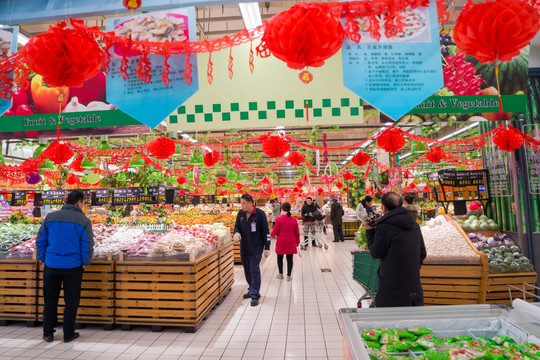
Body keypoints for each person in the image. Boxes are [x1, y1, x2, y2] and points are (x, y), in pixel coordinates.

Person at [37, 190, 94, 343]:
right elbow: (87, 245)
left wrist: (43, 259)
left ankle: (48, 333)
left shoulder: (50, 217)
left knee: (50, 300)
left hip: (51, 265)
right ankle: (68, 334)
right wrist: (84, 262)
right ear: (79, 203)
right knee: (71, 301)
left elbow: (41, 240)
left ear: (66, 201)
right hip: (73, 266)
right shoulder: (83, 220)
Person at [365, 192, 426, 307]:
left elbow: (376, 252)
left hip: (391, 291)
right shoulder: (414, 225)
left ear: (384, 207)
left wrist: (370, 231)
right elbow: (422, 254)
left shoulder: (384, 227)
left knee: (391, 323)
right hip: (414, 290)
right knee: (412, 324)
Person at [233, 194, 270, 307]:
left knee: (254, 270)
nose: (242, 205)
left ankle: (255, 295)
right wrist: (236, 233)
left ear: (250, 203)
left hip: (256, 248)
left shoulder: (260, 214)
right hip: (244, 247)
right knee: (247, 271)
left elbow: (265, 231)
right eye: (241, 203)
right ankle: (251, 289)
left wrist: (267, 247)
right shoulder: (240, 213)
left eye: (244, 203)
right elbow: (236, 226)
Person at [271, 202, 300, 281]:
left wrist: (271, 235)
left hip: (281, 241)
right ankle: (289, 275)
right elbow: (297, 232)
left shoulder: (279, 219)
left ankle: (280, 274)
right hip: (291, 241)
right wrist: (297, 242)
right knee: (289, 258)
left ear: (282, 209)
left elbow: (276, 231)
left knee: (279, 257)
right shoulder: (294, 220)